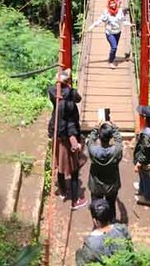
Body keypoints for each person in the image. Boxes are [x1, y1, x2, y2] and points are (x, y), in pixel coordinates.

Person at [48, 69, 87, 210]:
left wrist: (63, 83)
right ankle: (75, 201)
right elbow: (78, 98)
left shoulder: (53, 92)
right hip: (67, 138)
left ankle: (63, 191)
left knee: (59, 165)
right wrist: (75, 142)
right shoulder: (70, 101)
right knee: (74, 169)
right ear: (68, 82)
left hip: (57, 135)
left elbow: (54, 89)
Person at [74, 198, 133, 265]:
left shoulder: (90, 243)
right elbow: (130, 249)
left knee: (79, 254)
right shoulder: (121, 229)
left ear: (95, 221)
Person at [86, 120, 124, 222]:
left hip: (96, 185)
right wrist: (114, 127)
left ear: (99, 137)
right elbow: (119, 140)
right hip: (111, 185)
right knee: (111, 205)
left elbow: (90, 140)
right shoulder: (116, 151)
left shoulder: (93, 151)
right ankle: (111, 224)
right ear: (110, 137)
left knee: (96, 206)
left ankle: (97, 223)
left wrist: (96, 128)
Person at [90, 0, 131, 68]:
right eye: (111, 4)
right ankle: (111, 61)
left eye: (114, 3)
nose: (113, 5)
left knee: (115, 47)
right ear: (109, 5)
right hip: (109, 33)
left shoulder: (120, 11)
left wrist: (130, 24)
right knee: (114, 47)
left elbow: (123, 21)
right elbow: (100, 20)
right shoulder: (106, 12)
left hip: (118, 32)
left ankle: (112, 56)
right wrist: (92, 26)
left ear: (116, 3)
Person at [133, 105, 150, 206]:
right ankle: (141, 188)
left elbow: (146, 150)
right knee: (142, 175)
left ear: (145, 117)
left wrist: (139, 162)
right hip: (148, 158)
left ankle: (148, 196)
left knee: (145, 176)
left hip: (147, 160)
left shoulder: (147, 134)